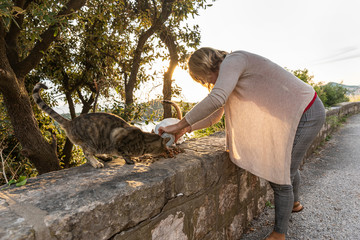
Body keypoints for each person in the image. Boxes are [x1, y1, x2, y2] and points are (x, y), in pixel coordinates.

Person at [158, 47, 326, 240]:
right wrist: (186, 129)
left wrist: (180, 123)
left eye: (203, 79)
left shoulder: (234, 61)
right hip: (299, 114)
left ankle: (279, 234)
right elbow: (216, 114)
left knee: (281, 175)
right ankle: (294, 204)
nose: (206, 83)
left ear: (205, 67)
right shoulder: (231, 71)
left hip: (307, 113)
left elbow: (216, 99)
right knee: (288, 162)